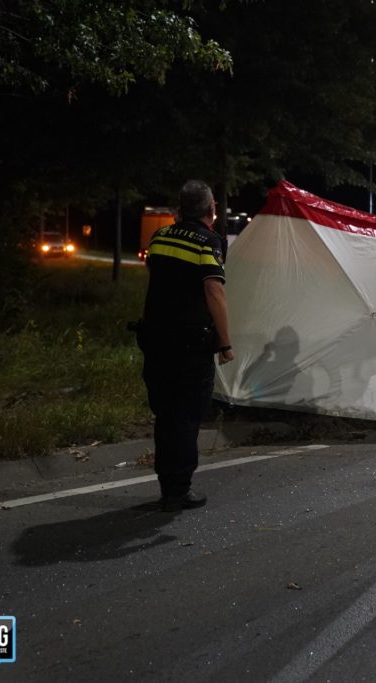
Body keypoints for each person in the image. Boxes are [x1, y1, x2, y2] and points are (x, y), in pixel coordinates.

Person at [139, 179, 234, 511]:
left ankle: (168, 484)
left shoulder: (160, 237)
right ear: (211, 208)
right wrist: (225, 343)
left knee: (165, 414)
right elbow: (214, 291)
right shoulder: (208, 241)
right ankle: (178, 490)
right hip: (189, 344)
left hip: (155, 340)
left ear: (181, 208)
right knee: (187, 415)